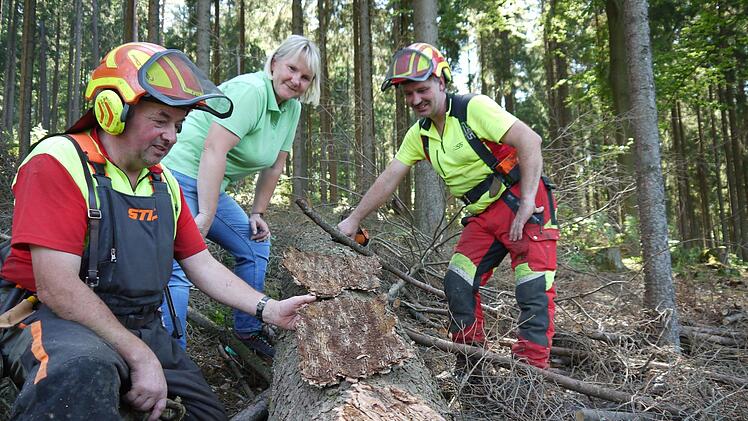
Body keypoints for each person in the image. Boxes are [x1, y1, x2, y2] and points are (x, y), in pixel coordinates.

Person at [0, 42, 315, 420]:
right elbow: (56, 287)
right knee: (80, 372)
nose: (172, 137)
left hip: (139, 324)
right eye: (160, 120)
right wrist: (138, 354)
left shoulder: (163, 185)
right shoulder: (59, 162)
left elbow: (203, 264)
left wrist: (269, 309)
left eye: (179, 126)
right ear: (113, 110)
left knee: (205, 413)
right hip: (51, 319)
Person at [338, 43, 559, 369]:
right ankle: (472, 371)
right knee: (458, 283)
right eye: (408, 94)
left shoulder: (474, 109)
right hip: (482, 215)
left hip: (522, 203)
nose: (416, 100)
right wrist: (354, 219)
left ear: (441, 82)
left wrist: (527, 200)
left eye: (422, 90)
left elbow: (530, 141)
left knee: (533, 291)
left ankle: (529, 382)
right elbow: (390, 177)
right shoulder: (420, 135)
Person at [160, 35, 320, 355]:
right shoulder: (251, 91)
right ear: (274, 63)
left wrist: (258, 212)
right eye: (291, 69)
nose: (296, 80)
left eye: (306, 77)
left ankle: (248, 331)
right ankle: (172, 359)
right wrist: (205, 214)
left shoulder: (291, 110)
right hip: (177, 177)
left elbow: (275, 166)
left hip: (209, 185)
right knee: (179, 265)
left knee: (254, 242)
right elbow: (214, 149)